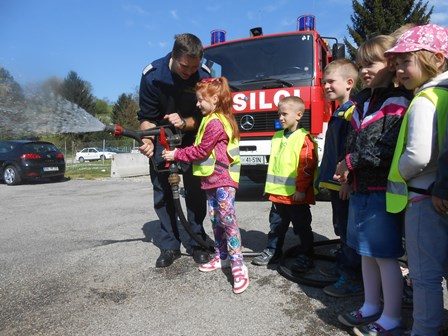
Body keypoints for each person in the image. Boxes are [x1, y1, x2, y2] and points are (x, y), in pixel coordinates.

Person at [334, 34, 413, 336]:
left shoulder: (398, 102)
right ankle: (370, 305)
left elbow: (387, 149)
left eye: (372, 64)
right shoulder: (363, 101)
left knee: (385, 256)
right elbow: (353, 141)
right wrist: (346, 170)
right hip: (361, 189)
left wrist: (350, 163)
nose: (365, 70)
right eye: (361, 64)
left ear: (391, 65)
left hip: (382, 191)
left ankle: (391, 317)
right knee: (366, 252)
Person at [385, 24, 448, 336]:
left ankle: (424, 329)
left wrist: (396, 171)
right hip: (439, 191)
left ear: (435, 59)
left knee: (424, 273)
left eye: (405, 61)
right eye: (396, 63)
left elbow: (419, 156)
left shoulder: (424, 100)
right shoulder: (445, 95)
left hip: (422, 196)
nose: (398, 69)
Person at [162, 76, 249, 294]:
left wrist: (176, 153)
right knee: (216, 221)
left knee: (228, 221)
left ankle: (238, 265)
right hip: (211, 180)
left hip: (223, 181)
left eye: (201, 100)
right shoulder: (211, 119)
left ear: (216, 99)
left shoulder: (216, 122)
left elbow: (201, 150)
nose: (198, 104)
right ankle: (222, 257)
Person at [137, 33, 211, 268]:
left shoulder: (204, 76)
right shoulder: (152, 76)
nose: (190, 72)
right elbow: (146, 118)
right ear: (173, 56)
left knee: (196, 191)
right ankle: (170, 245)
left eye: (194, 66)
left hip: (192, 137)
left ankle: (196, 241)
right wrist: (148, 140)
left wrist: (185, 122)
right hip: (161, 137)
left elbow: (208, 116)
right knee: (163, 191)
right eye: (184, 66)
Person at [252, 96, 318, 273]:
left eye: (284, 114)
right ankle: (272, 251)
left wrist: (301, 190)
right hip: (278, 195)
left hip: (296, 196)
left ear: (298, 115)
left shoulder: (304, 138)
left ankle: (306, 256)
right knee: (276, 226)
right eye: (278, 114)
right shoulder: (277, 136)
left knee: (302, 227)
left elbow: (306, 167)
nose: (280, 118)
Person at [317, 59, 363, 298]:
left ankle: (352, 278)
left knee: (347, 229)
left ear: (349, 83)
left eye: (331, 81)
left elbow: (350, 148)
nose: (325, 86)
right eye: (324, 82)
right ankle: (343, 267)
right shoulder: (340, 110)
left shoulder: (352, 111)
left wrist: (346, 181)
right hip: (336, 182)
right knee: (340, 226)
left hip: (344, 183)